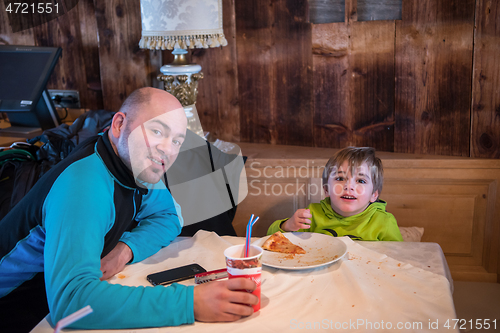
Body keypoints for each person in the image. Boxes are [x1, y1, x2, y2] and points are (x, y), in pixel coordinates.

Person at [0, 87, 257, 332]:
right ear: (119, 124)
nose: (168, 148)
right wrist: (191, 302)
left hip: (50, 298)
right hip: (17, 310)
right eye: (157, 131)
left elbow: (169, 217)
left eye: (177, 140)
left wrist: (124, 251)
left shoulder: (133, 168)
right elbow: (71, 303)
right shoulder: (84, 185)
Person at [267, 146, 403, 241]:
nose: (349, 186)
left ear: (374, 194)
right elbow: (270, 238)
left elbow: (399, 256)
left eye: (361, 180)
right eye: (340, 178)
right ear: (326, 190)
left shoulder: (384, 222)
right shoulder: (312, 214)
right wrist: (288, 225)